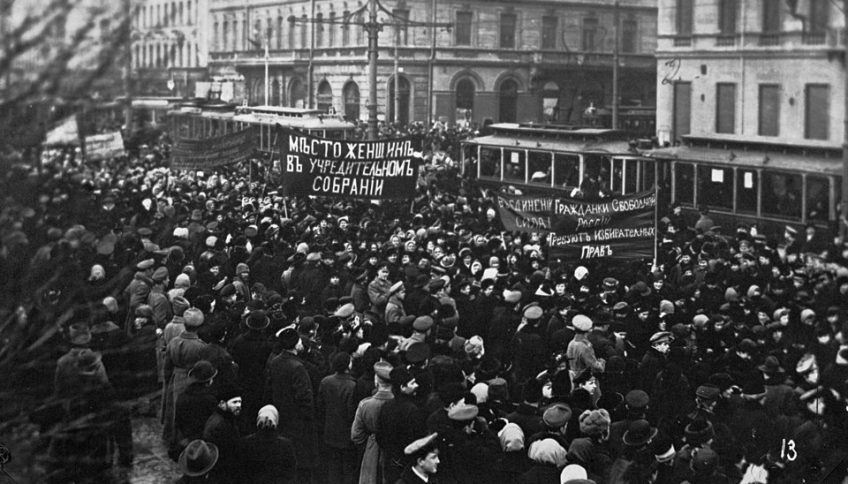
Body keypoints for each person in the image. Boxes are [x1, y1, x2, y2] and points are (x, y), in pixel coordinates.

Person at [265, 327, 316, 482]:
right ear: (296, 345)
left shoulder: (275, 362)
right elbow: (305, 397)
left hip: (281, 415)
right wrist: (309, 418)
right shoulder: (298, 367)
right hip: (298, 421)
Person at [317, 351, 358, 484]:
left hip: (329, 431)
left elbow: (320, 407)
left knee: (333, 468)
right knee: (347, 469)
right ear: (347, 365)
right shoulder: (352, 386)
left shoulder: (325, 381)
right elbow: (351, 412)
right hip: (346, 433)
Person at [352, 360, 395, 484]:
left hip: (371, 450)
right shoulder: (400, 404)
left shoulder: (365, 405)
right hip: (394, 453)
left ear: (376, 380)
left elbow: (356, 435)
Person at [238, 404, 298, 483]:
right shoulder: (286, 445)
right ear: (276, 421)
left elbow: (240, 473)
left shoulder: (245, 443)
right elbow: (290, 473)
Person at [202, 383, 243, 483]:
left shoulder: (225, 418)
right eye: (234, 402)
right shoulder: (220, 425)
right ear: (222, 404)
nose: (239, 405)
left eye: (240, 402)